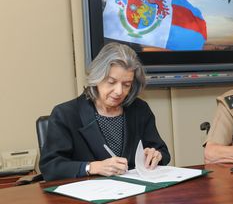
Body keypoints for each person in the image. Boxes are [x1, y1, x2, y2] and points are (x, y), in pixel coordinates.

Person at [39, 42, 170, 181]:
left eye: (126, 85)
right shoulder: (65, 114)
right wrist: (92, 167)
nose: (119, 91)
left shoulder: (139, 109)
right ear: (97, 77)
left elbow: (162, 151)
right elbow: (51, 166)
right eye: (111, 82)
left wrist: (156, 155)